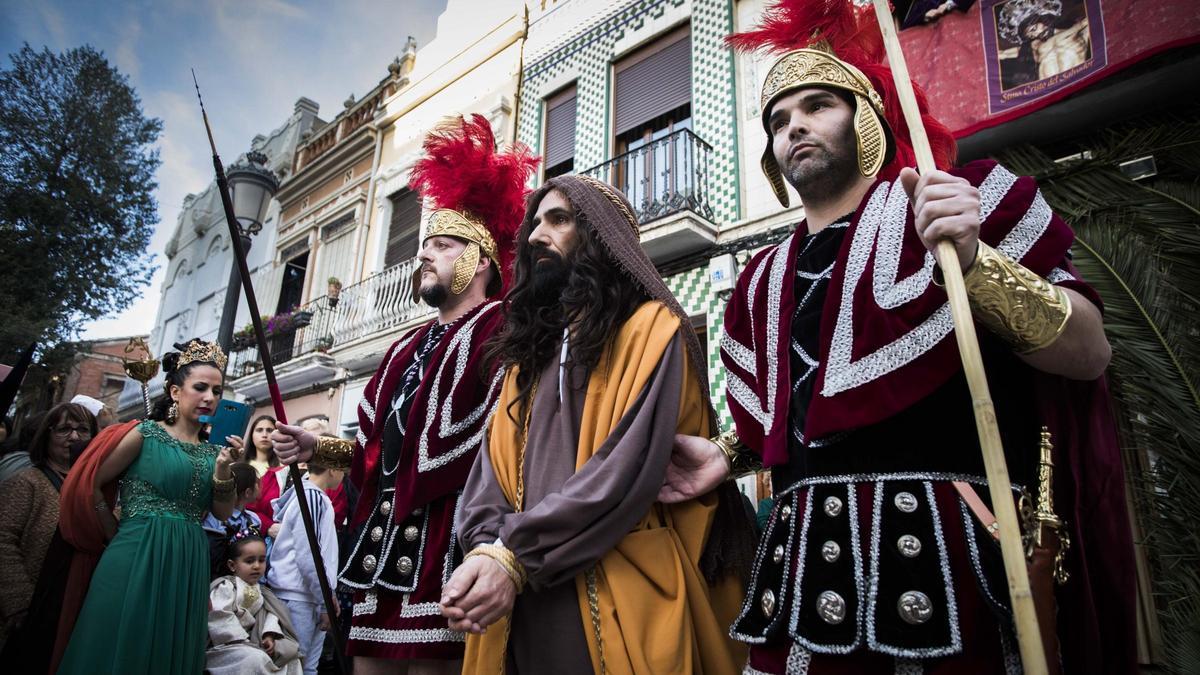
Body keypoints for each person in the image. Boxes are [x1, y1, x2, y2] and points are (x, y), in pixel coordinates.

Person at [660, 2, 1136, 673]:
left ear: (869, 118)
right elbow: (807, 412)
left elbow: (1090, 351)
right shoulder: (756, 281)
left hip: (942, 569)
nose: (794, 123)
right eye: (777, 119)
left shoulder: (958, 200)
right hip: (797, 588)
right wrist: (728, 453)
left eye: (818, 104)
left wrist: (974, 261)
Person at [447, 174, 754, 674]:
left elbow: (623, 469)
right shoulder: (528, 358)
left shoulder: (653, 329)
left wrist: (514, 553)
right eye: (535, 222)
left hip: (617, 593)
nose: (535, 236)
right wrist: (486, 551)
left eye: (559, 220)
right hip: (519, 598)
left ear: (602, 237)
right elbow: (489, 474)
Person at [271, 113, 535, 675]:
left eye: (441, 244)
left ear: (480, 260)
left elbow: (514, 438)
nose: (425, 255)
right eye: (426, 245)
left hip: (451, 536)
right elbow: (373, 448)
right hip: (381, 543)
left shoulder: (505, 327)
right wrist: (316, 448)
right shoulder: (402, 347)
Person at [54, 339, 240, 674]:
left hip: (188, 557)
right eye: (200, 387)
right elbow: (91, 482)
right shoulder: (145, 434)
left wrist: (225, 470)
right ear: (174, 392)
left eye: (217, 390)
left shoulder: (215, 453)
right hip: (136, 551)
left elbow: (223, 513)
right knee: (120, 641)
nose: (210, 397)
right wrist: (112, 531)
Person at [0, 402, 96, 648]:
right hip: (32, 605)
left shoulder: (98, 487)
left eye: (83, 429)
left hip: (76, 605)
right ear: (47, 435)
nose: (74, 436)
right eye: (64, 429)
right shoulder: (27, 482)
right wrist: (18, 601)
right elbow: (2, 541)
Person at [265, 460, 340, 675]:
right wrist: (324, 599)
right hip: (300, 598)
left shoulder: (312, 496)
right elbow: (310, 554)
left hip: (309, 596)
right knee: (293, 666)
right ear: (333, 469)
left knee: (305, 667)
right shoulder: (312, 497)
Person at [208, 527, 303, 674]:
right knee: (255, 659)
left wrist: (268, 636)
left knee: (291, 659)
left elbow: (270, 617)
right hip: (226, 647)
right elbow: (220, 616)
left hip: (255, 643)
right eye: (249, 561)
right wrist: (242, 641)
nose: (257, 566)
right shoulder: (226, 587)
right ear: (232, 565)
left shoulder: (265, 593)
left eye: (261, 560)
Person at [203, 462, 264, 577]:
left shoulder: (254, 520)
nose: (259, 487)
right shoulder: (214, 518)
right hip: (218, 579)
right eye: (256, 483)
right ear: (248, 492)